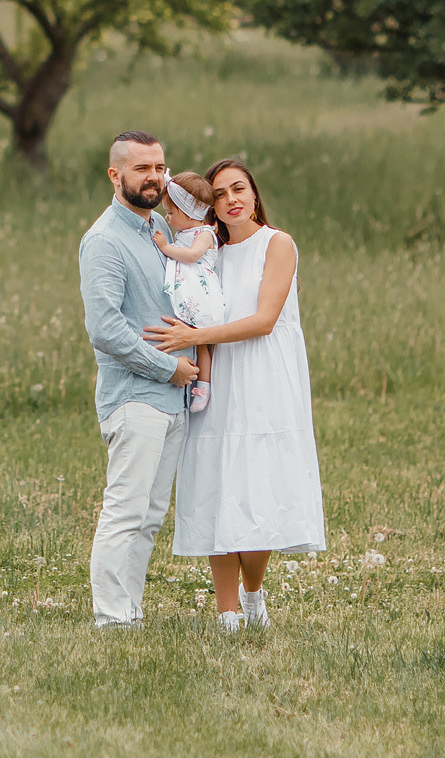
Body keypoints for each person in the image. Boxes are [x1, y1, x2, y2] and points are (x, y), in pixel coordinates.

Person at [144, 158, 326, 632]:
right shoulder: (209, 252)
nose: (232, 200)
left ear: (254, 192)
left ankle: (252, 595)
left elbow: (264, 320)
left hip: (265, 376)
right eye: (220, 194)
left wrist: (194, 335)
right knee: (214, 484)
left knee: (257, 487)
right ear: (210, 205)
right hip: (217, 377)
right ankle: (226, 613)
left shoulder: (277, 244)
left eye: (238, 188)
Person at [78, 130, 201, 628]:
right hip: (135, 397)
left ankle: (130, 613)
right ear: (115, 174)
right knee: (125, 513)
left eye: (159, 168)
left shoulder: (163, 232)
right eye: (142, 169)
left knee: (149, 519)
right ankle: (111, 619)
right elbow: (105, 329)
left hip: (173, 401)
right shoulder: (104, 241)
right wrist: (169, 367)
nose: (154, 178)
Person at [151, 172, 226, 412]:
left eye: (171, 213)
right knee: (191, 336)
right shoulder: (184, 233)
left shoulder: (203, 234)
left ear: (188, 213)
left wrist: (165, 247)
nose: (167, 217)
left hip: (200, 293)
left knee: (201, 340)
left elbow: (192, 256)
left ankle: (204, 386)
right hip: (188, 293)